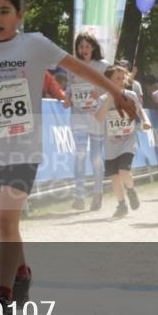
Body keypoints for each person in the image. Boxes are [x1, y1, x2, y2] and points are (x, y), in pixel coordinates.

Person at [0, 0, 135, 315]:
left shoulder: (35, 44)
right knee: (7, 225)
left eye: (4, 12)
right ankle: (23, 273)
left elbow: (80, 69)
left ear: (19, 14)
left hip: (24, 148)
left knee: (5, 222)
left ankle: (2, 298)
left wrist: (116, 93)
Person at [61, 32, 109, 211]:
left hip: (96, 116)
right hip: (78, 115)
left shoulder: (103, 65)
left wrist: (100, 93)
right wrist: (67, 98)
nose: (84, 49)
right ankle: (79, 197)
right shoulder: (72, 65)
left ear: (94, 47)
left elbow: (111, 87)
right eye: (80, 46)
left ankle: (98, 193)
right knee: (80, 155)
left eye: (87, 46)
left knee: (95, 156)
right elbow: (69, 86)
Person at [95, 64, 149, 218]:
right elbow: (99, 117)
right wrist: (110, 97)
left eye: (122, 78)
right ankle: (121, 205)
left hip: (128, 140)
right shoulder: (103, 99)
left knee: (124, 171)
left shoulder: (131, 95)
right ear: (108, 81)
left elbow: (140, 110)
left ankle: (131, 191)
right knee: (114, 177)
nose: (120, 81)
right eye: (116, 79)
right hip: (111, 144)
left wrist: (146, 121)